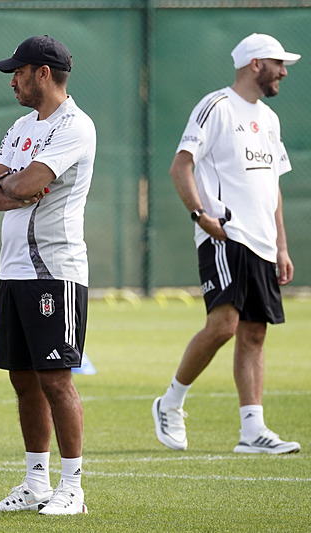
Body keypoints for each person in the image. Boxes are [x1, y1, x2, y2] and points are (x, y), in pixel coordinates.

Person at [152, 33, 301, 455]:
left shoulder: (270, 120)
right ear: (256, 64)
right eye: (278, 64)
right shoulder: (215, 106)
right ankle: (171, 401)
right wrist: (200, 214)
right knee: (225, 326)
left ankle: (252, 430)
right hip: (225, 235)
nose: (283, 72)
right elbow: (181, 166)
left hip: (263, 244)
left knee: (254, 333)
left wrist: (282, 247)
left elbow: (273, 187)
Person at [0, 35, 95, 516]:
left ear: (43, 73)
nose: (14, 80)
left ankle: (73, 486)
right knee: (22, 379)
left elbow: (22, 182)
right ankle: (35, 482)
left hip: (54, 270)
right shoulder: (22, 125)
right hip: (14, 271)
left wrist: (18, 183)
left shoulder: (76, 126)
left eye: (19, 72)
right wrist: (18, 186)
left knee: (56, 379)